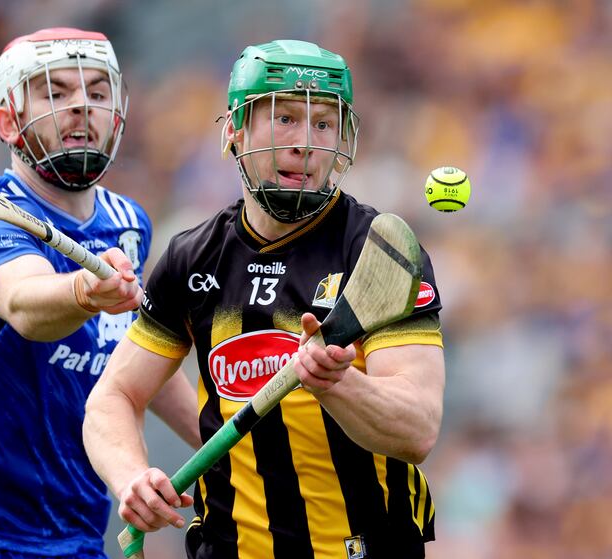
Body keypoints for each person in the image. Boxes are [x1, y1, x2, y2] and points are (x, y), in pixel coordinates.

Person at [84, 39, 446, 559]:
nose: (306, 143)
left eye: (323, 123)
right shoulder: (193, 258)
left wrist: (337, 384)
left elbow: (417, 429)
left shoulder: (378, 250)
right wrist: (130, 478)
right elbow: (112, 397)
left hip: (362, 547)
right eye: (285, 118)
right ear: (234, 130)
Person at [0, 28, 200, 559]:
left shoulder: (129, 224)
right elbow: (24, 306)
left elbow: (140, 363)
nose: (81, 107)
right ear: (8, 122)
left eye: (97, 92)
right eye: (55, 93)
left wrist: (236, 442)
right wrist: (83, 291)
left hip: (71, 536)